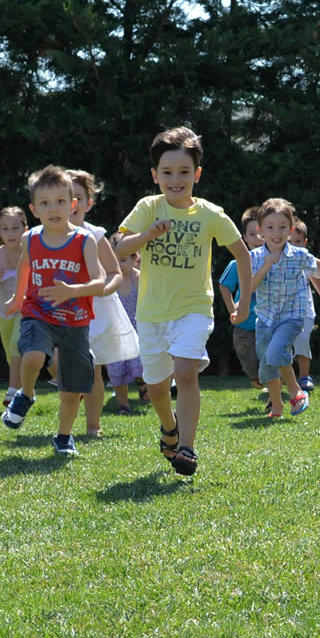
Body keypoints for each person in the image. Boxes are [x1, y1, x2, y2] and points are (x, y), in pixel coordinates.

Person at [115, 126, 251, 476]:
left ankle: (187, 448)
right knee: (158, 388)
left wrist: (244, 300)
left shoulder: (210, 214)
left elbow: (243, 255)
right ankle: (169, 427)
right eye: (167, 173)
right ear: (155, 175)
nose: (176, 180)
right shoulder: (148, 206)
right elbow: (120, 248)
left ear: (198, 174)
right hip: (152, 314)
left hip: (194, 308)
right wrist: (146, 235)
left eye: (184, 172)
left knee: (186, 371)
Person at [2, 166, 104, 456]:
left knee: (71, 388)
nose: (54, 209)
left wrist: (71, 291)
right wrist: (19, 297)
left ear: (73, 205)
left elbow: (98, 283)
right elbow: (24, 264)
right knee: (34, 355)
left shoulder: (85, 240)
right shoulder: (30, 239)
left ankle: (63, 436)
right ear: (34, 209)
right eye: (45, 203)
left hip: (76, 321)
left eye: (60, 201)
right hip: (39, 313)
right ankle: (27, 393)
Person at [248, 198, 320, 418]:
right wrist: (266, 266)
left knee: (275, 352)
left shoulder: (298, 255)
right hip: (266, 318)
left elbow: (317, 265)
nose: (276, 233)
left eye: (282, 227)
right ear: (261, 230)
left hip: (292, 316)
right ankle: (277, 407)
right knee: (268, 365)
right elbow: (249, 286)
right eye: (270, 227)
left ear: (290, 230)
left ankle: (296, 391)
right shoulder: (255, 257)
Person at [68, 169, 140, 437]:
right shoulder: (46, 236)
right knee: (61, 364)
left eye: (78, 198)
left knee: (93, 369)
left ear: (89, 203)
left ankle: (93, 426)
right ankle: (67, 411)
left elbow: (114, 272)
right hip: (59, 310)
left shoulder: (94, 235)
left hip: (94, 311)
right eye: (66, 198)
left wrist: (103, 290)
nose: (72, 205)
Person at [0, 206, 28, 408]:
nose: (11, 233)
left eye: (15, 228)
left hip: (25, 309)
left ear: (25, 229)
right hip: (3, 311)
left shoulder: (30, 253)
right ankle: (24, 391)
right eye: (5, 228)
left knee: (16, 345)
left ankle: (11, 393)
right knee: (12, 356)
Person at [218, 206, 263, 390]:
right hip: (244, 325)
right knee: (250, 363)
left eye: (261, 233)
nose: (258, 239)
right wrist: (232, 309)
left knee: (272, 360)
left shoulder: (275, 260)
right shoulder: (237, 263)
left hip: (269, 323)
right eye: (252, 234)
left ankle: (272, 389)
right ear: (244, 237)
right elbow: (224, 285)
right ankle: (257, 379)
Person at [288, 216, 320, 394]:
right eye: (291, 241)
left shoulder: (305, 259)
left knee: (303, 339)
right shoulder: (279, 258)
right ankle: (280, 378)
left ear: (305, 242)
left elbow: (315, 274)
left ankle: (305, 376)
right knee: (283, 344)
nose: (294, 245)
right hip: (283, 311)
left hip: (304, 310)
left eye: (298, 241)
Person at [105, 233, 147, 414]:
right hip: (115, 335)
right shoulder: (108, 280)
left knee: (141, 366)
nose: (118, 266)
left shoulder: (139, 279)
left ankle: (144, 387)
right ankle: (123, 404)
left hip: (138, 332)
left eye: (122, 260)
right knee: (117, 371)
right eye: (113, 261)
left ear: (134, 258)